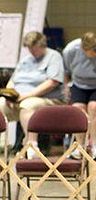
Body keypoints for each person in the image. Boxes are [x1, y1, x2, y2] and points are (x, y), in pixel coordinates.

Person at [0, 31, 65, 159]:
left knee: (28, 105)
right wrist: (9, 95)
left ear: (42, 45)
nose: (31, 51)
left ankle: (32, 145)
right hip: (18, 98)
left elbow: (52, 82)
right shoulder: (26, 60)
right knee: (1, 104)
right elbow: (13, 80)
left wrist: (28, 95)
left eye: (34, 49)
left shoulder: (54, 57)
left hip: (47, 99)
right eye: (29, 48)